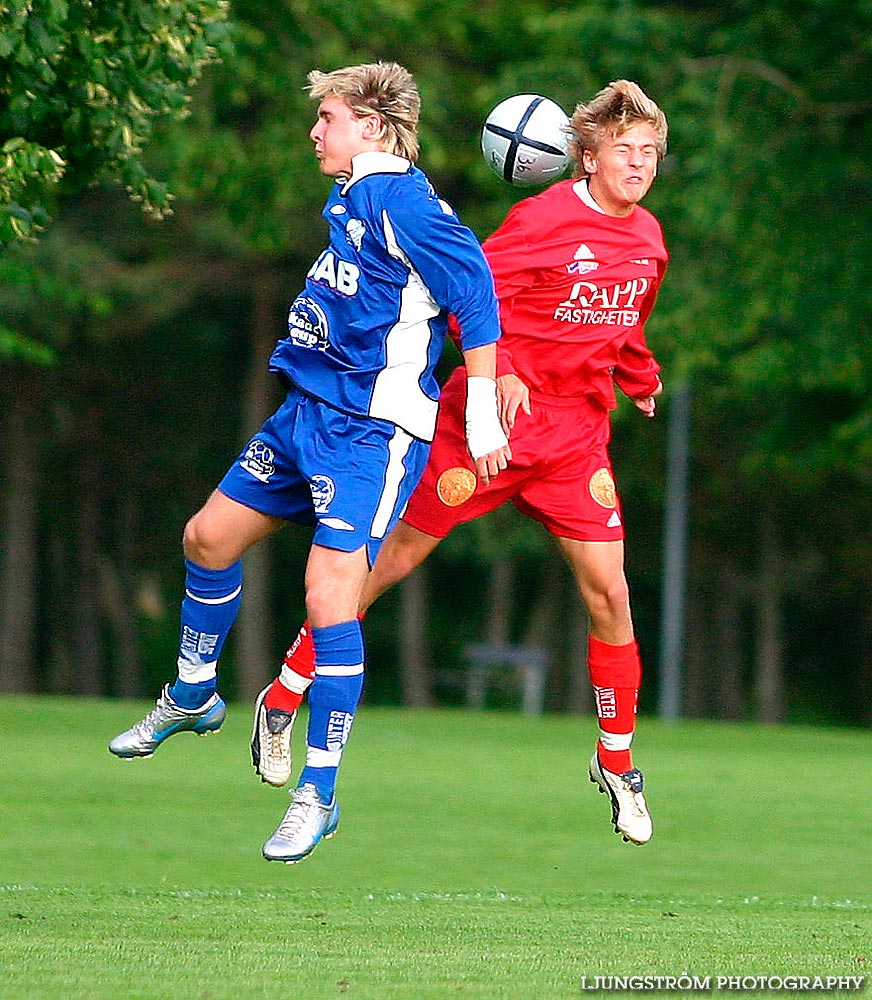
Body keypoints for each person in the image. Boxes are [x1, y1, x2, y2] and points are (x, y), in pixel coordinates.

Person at [109, 61, 511, 865]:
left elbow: (475, 295)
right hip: (305, 416)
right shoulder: (356, 192)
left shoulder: (405, 200)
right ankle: (193, 693)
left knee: (330, 598)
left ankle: (317, 794)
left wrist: (479, 409)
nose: (315, 130)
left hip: (372, 431)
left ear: (371, 126)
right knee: (206, 540)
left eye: (328, 117)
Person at [252, 79, 669, 847]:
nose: (639, 165)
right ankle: (285, 692)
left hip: (573, 439)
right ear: (586, 156)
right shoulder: (539, 220)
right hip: (483, 430)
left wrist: (639, 377)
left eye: (649, 153)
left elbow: (627, 324)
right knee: (376, 569)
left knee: (610, 592)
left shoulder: (649, 239)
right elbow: (465, 297)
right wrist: (500, 367)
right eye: (624, 150)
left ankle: (617, 761)